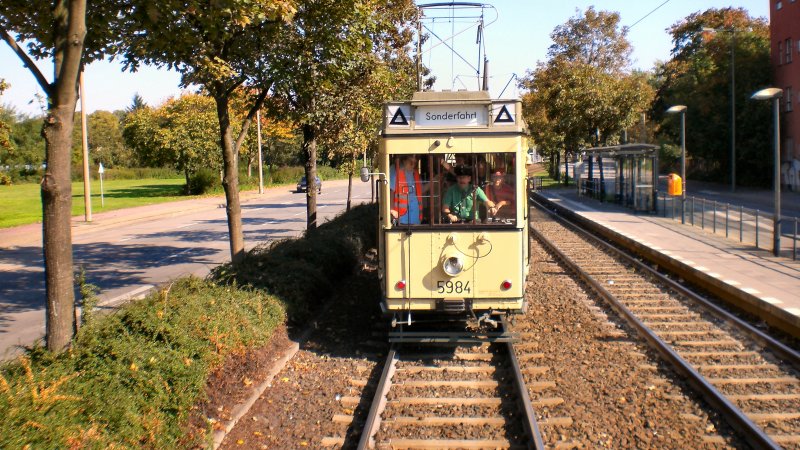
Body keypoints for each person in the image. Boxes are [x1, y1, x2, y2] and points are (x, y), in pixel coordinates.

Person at [390, 154, 424, 225]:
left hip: (415, 211)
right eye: (411, 162)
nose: (413, 165)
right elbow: (390, 191)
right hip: (401, 213)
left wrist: (434, 181)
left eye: (415, 163)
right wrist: (391, 209)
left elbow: (421, 189)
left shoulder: (415, 173)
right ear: (404, 160)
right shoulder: (395, 170)